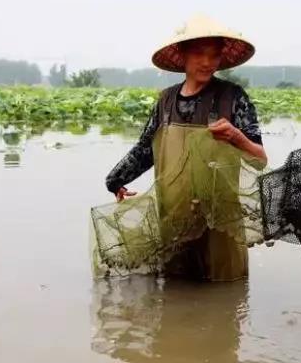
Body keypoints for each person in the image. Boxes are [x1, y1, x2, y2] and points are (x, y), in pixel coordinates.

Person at [105, 15, 266, 281]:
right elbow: (145, 150)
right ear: (182, 54)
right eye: (199, 53)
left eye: (214, 55)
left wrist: (237, 137)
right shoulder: (165, 101)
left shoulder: (233, 97)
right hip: (174, 223)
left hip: (220, 228)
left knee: (224, 300)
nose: (207, 62)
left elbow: (259, 159)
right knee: (175, 296)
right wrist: (114, 180)